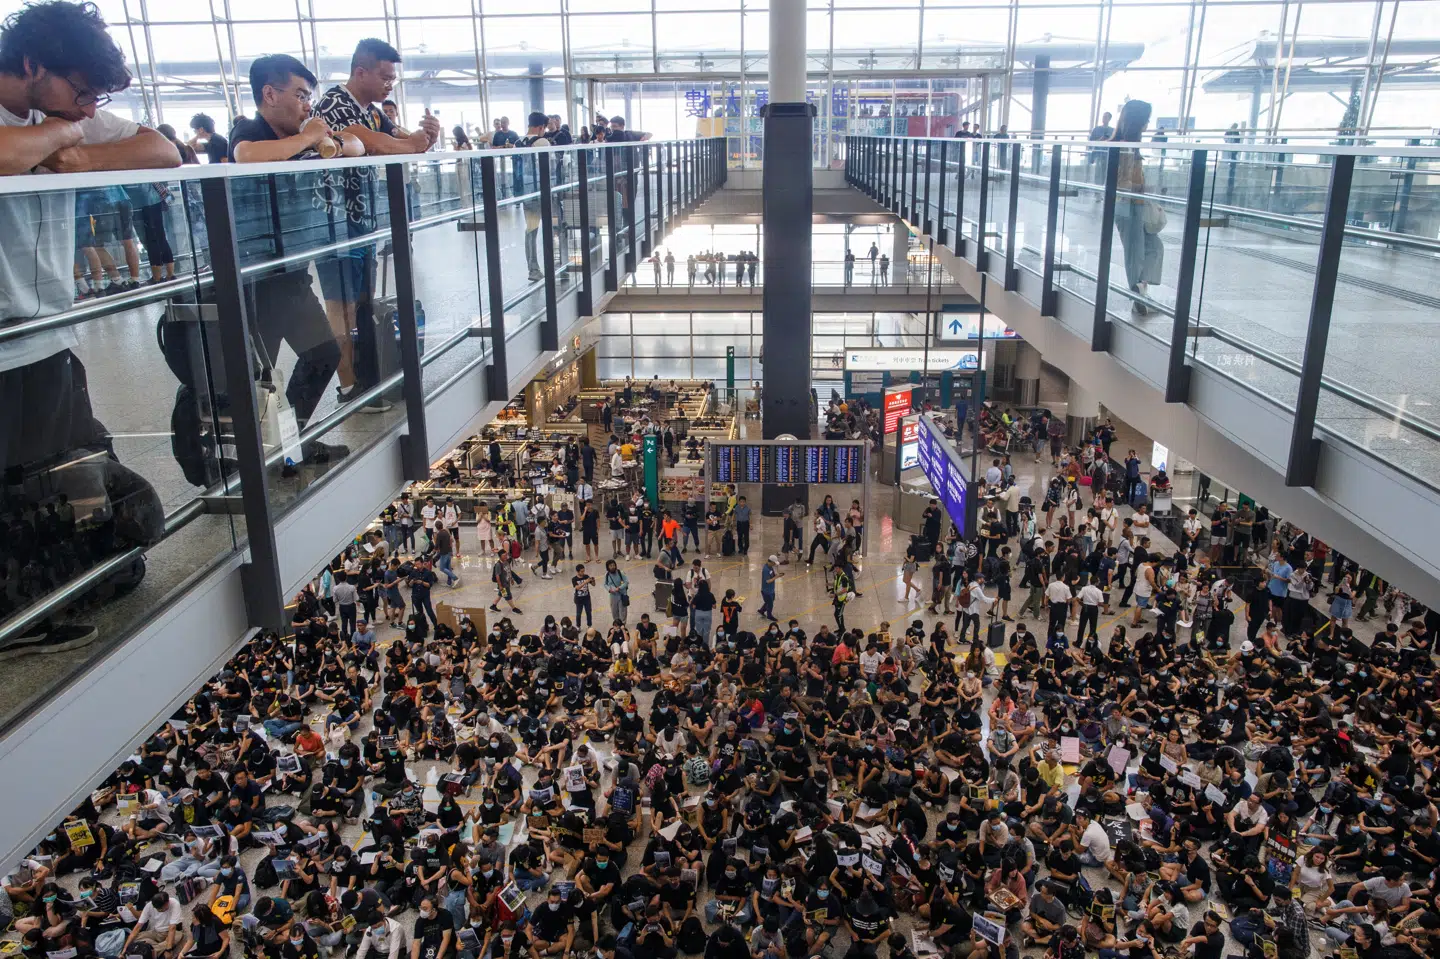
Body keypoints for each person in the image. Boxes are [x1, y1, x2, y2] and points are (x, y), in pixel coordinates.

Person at [0, 0, 181, 654]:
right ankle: (20, 618)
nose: (86, 108)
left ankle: (57, 586)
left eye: (93, 99)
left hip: (51, 334)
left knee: (104, 498)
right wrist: (59, 136)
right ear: (31, 65)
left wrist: (82, 154)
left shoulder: (64, 116)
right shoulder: (55, 122)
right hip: (8, 345)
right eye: (80, 92)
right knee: (21, 491)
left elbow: (164, 151)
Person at [312, 38, 439, 406]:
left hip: (361, 222)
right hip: (335, 225)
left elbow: (403, 141)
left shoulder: (371, 111)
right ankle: (349, 386)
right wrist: (414, 142)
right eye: (384, 77)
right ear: (360, 71)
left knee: (362, 304)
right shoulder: (335, 106)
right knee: (341, 306)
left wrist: (427, 137)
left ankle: (367, 376)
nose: (389, 85)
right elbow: (382, 144)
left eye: (393, 79)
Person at [1109, 98, 1161, 316]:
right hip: (1126, 206)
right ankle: (1138, 296)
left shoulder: (1132, 146)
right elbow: (1120, 182)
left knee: (1154, 246)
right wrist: (1143, 187)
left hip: (1136, 204)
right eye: (1146, 120)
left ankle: (1140, 290)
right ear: (1137, 122)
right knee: (1135, 253)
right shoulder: (1124, 147)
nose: (1148, 124)